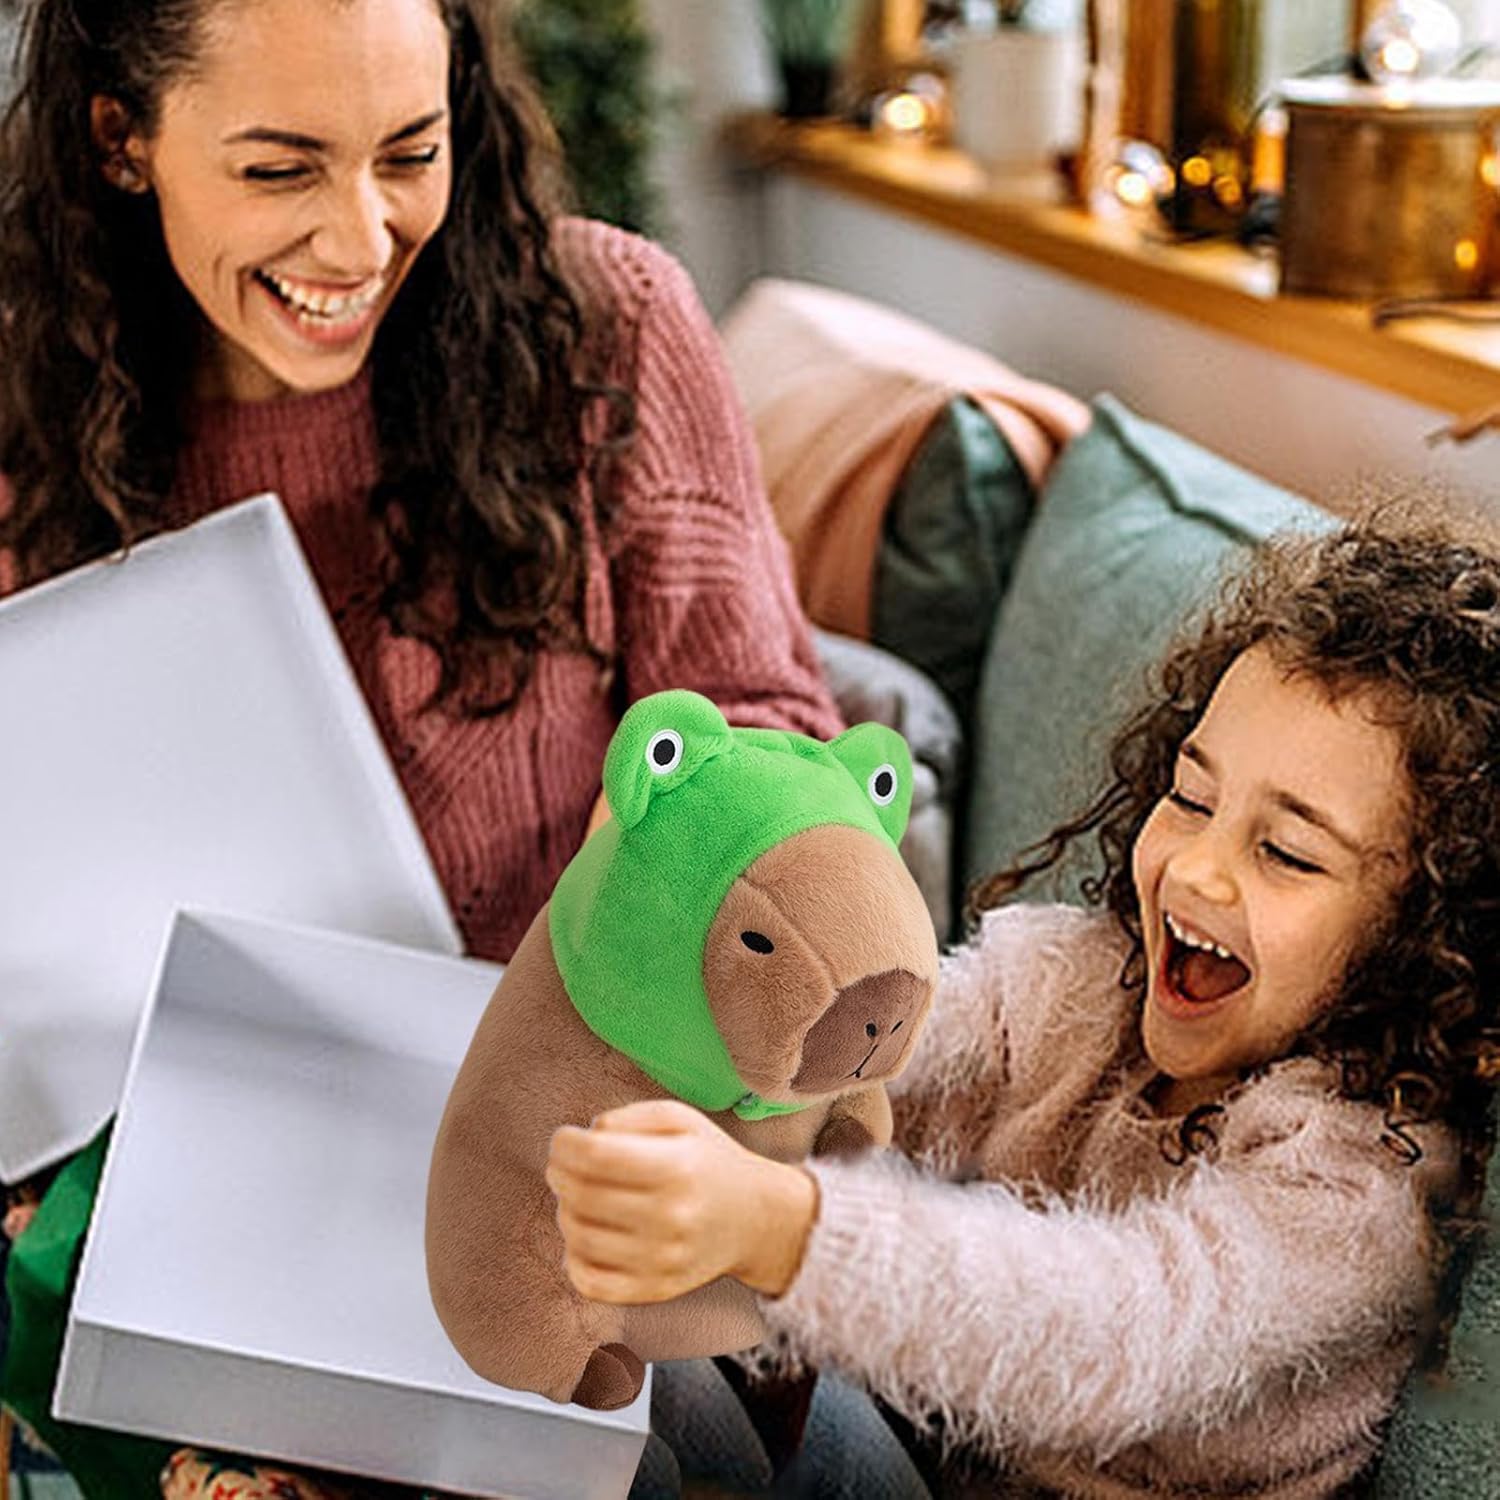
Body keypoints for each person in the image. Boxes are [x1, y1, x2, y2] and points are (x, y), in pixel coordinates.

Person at [0, 0, 839, 1491]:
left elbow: (788, 763)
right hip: (187, 1202)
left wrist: (673, 853)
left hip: (576, 1167)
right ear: (121, 138)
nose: (360, 238)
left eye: (410, 153)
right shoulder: (22, 400)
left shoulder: (606, 328)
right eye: (279, 169)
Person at [549, 521, 1500, 1498]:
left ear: (1425, 933)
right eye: (1190, 797)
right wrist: (680, 973)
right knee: (603, 1330)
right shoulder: (1082, 985)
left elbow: (1114, 1335)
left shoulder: (1360, 1189)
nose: (1195, 867)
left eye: (1287, 853)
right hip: (920, 1461)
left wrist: (783, 1229)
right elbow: (871, 1057)